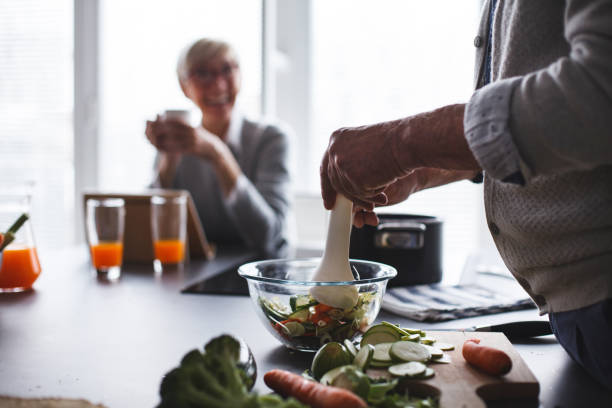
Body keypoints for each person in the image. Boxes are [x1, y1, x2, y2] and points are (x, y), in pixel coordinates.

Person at [320, 0, 612, 390]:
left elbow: (597, 94)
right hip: (579, 315)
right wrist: (420, 171)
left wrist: (399, 144)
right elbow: (544, 131)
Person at [145, 38, 291, 258]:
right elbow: (154, 233)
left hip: (263, 276)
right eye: (202, 74)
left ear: (240, 76)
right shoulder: (181, 143)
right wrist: (168, 160)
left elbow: (267, 236)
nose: (219, 84)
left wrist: (218, 155)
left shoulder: (271, 138)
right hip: (201, 273)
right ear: (184, 86)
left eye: (227, 70)